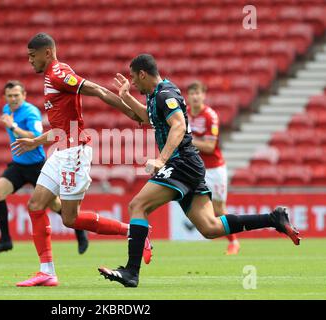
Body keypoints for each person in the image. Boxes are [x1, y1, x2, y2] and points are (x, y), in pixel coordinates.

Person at [98, 54, 300, 288]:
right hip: (189, 165)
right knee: (210, 228)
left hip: (180, 162)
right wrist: (125, 97)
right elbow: (145, 117)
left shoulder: (166, 94)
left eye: (134, 77)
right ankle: (273, 218)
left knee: (137, 205)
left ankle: (131, 272)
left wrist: (161, 159)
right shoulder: (156, 96)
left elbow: (179, 125)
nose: (132, 82)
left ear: (143, 74)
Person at [11, 33, 153, 287]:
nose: (30, 61)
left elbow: (97, 90)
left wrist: (132, 114)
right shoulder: (51, 76)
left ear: (47, 53)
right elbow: (62, 128)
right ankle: (47, 272)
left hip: (74, 152)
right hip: (61, 149)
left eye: (33, 56)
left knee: (69, 219)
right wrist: (35, 141)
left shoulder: (58, 73)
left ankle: (133, 232)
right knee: (35, 205)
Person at [0, 80, 89, 255]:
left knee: (55, 205)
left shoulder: (31, 112)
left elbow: (35, 135)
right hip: (18, 165)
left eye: (16, 95)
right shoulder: (6, 110)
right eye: (9, 96)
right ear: (5, 97)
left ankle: (79, 231)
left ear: (24, 95)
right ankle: (5, 240)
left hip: (36, 166)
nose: (13, 99)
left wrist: (13, 126)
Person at [187, 81, 240, 255]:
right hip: (195, 169)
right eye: (192, 93)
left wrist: (186, 140)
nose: (195, 96)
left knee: (218, 209)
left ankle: (234, 242)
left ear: (203, 95)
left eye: (198, 93)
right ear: (188, 96)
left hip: (214, 169)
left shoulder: (210, 116)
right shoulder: (185, 115)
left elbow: (210, 147)